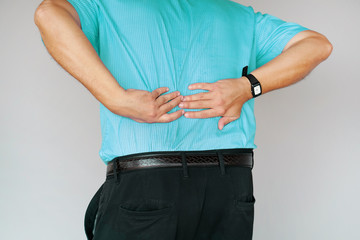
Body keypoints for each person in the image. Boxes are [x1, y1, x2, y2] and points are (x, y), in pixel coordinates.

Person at [34, 0, 332, 239]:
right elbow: (317, 44)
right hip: (230, 186)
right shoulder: (240, 16)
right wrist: (247, 86)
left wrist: (116, 98)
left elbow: (49, 12)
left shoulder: (110, 5)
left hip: (147, 185)